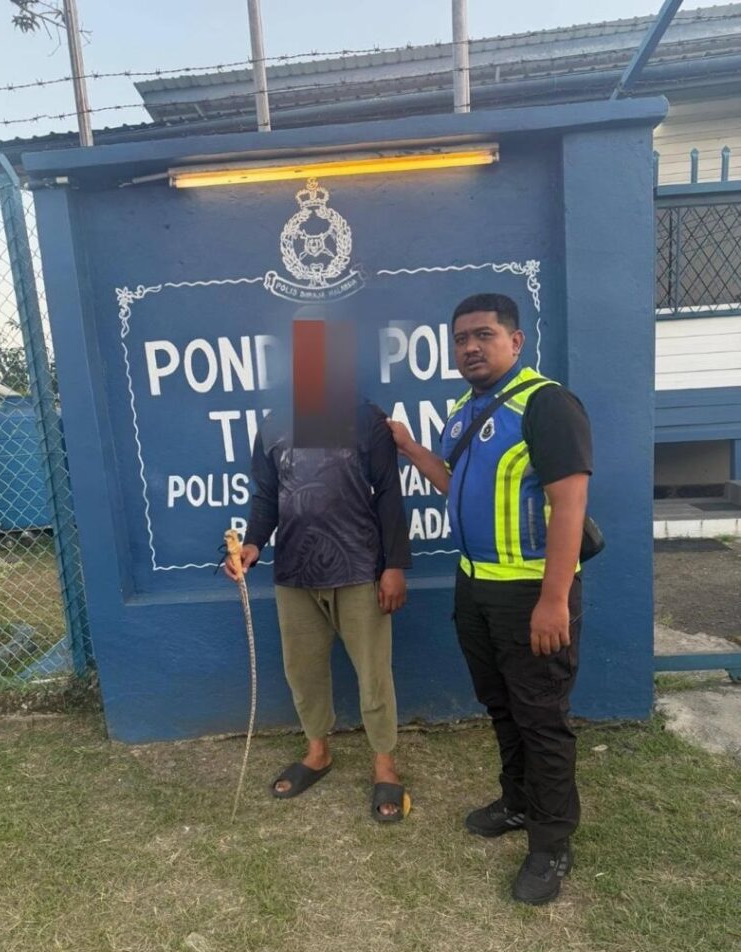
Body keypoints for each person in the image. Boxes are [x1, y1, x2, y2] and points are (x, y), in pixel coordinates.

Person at [388, 293, 592, 903]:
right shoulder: (464, 411)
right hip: (475, 587)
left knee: (542, 718)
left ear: (515, 341)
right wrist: (411, 448)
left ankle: (551, 843)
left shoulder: (546, 404)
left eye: (484, 335)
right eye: (461, 339)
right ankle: (519, 802)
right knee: (501, 705)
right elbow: (455, 486)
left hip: (532, 592)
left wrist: (554, 599)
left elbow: (569, 505)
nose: (470, 348)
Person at [225, 396, 412, 823]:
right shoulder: (273, 424)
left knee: (373, 672)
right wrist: (253, 543)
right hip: (295, 570)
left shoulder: (366, 417)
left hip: (359, 567)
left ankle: (384, 763)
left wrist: (395, 566)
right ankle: (318, 752)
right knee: (302, 670)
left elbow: (388, 491)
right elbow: (267, 495)